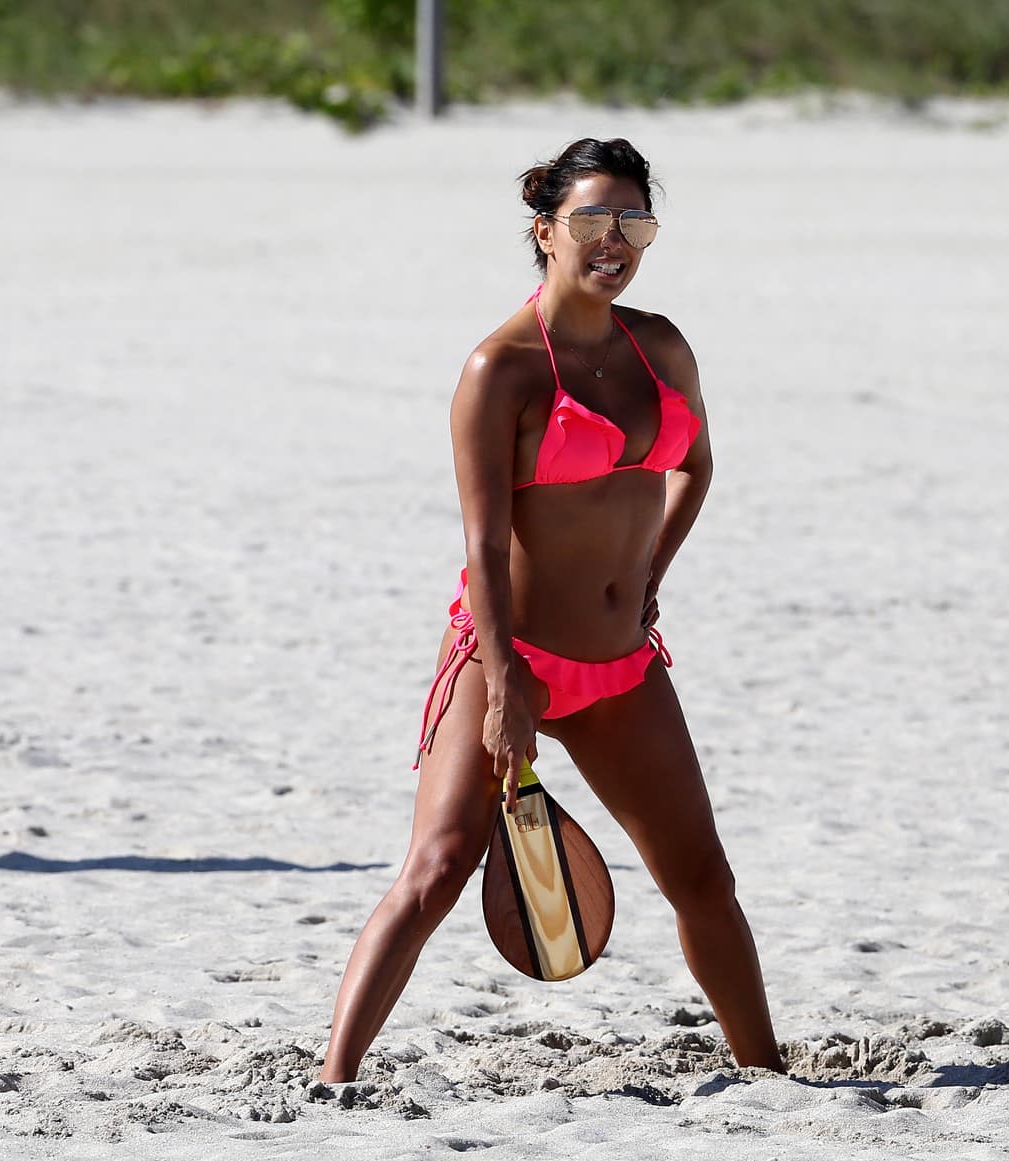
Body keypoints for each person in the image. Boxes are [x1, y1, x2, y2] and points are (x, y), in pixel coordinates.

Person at [320, 137, 783, 1081]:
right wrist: (502, 691)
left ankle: (770, 1076)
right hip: (509, 655)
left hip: (622, 667)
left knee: (703, 880)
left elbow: (696, 467)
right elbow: (485, 545)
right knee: (439, 866)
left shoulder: (659, 345)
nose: (613, 240)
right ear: (545, 229)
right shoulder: (500, 369)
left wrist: (651, 572)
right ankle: (334, 1076)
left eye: (632, 220)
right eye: (591, 219)